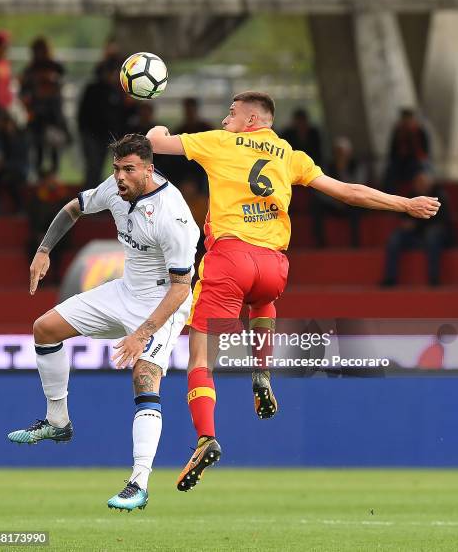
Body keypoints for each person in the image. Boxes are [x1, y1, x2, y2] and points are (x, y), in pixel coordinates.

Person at [146, 91, 441, 492]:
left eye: (232, 113)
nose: (226, 118)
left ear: (252, 119)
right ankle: (262, 371)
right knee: (262, 298)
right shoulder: (290, 155)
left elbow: (154, 144)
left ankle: (206, 436)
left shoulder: (217, 142)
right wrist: (404, 204)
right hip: (273, 265)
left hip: (230, 257)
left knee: (201, 357)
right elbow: (348, 192)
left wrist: (157, 127)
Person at [7, 134, 200, 512]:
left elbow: (181, 288)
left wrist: (141, 334)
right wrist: (44, 250)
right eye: (117, 169)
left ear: (149, 169)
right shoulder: (115, 188)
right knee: (44, 328)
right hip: (125, 290)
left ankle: (138, 483)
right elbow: (73, 208)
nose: (120, 177)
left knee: (144, 376)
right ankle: (57, 421)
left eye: (129, 170)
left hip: (163, 302)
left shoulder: (171, 216)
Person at [381, 166, 451, 287]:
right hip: (415, 236)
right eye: (418, 182)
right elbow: (405, 221)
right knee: (395, 238)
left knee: (432, 234)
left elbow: (443, 222)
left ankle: (433, 279)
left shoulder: (439, 196)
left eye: (423, 182)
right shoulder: (412, 196)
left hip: (437, 237)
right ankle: (390, 278)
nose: (421, 185)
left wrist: (418, 223)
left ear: (430, 183)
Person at [20, 37, 69, 175]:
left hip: (53, 113)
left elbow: (62, 82)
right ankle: (39, 174)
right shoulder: (30, 69)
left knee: (54, 146)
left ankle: (54, 174)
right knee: (38, 146)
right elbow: (24, 91)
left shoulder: (55, 67)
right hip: (37, 114)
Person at [311, 136, 365, 247]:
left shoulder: (357, 166)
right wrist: (335, 199)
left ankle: (356, 245)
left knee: (359, 207)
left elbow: (359, 186)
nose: (340, 155)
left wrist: (343, 171)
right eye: (338, 152)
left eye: (343, 152)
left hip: (350, 202)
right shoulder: (327, 166)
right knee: (315, 205)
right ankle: (320, 244)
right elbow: (320, 188)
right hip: (332, 203)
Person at [78, 58, 125, 188]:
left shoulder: (115, 91)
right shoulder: (93, 90)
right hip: (92, 135)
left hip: (108, 136)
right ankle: (89, 199)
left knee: (109, 168)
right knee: (93, 168)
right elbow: (84, 115)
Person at [383, 108, 430, 193]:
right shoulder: (398, 131)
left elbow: (425, 149)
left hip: (416, 160)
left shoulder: (419, 130)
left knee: (423, 173)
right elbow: (393, 148)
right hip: (400, 160)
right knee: (389, 173)